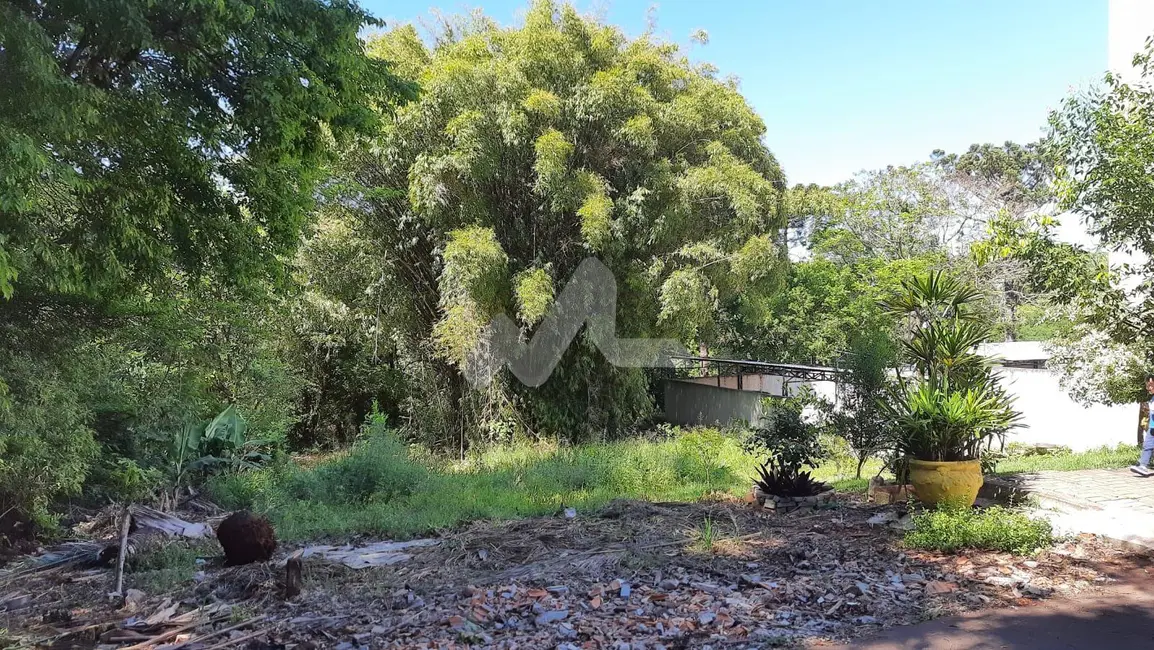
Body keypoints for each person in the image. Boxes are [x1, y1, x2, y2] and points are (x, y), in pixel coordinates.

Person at [1130, 373, 1154, 477]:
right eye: (1147, 385)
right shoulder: (1152, 398)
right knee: (1147, 446)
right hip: (1152, 427)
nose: (1149, 388)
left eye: (1151, 385)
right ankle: (1142, 466)